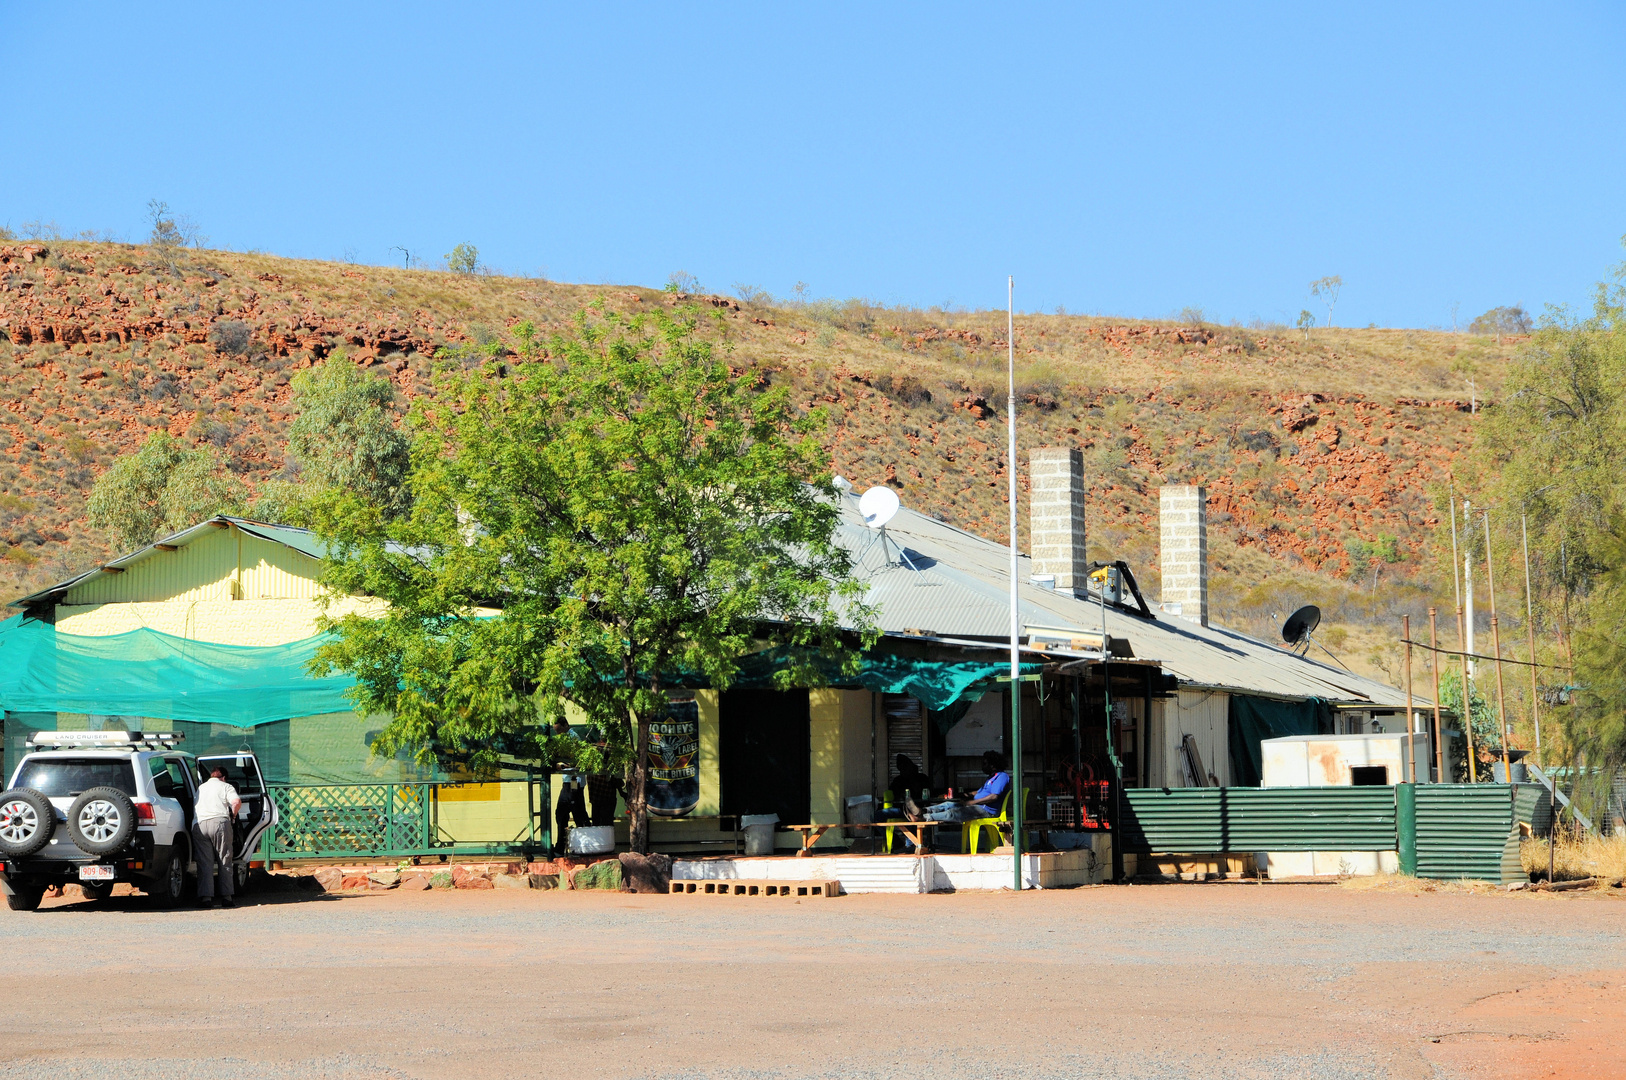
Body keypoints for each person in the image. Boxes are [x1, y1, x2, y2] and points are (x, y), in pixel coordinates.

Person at [193, 765, 241, 908]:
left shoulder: (200, 788)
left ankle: (206, 899)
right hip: (219, 823)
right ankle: (226, 898)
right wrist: (233, 815)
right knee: (224, 859)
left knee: (204, 863)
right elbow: (236, 802)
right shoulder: (226, 787)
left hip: (199, 824)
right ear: (224, 778)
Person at [924, 752, 1012, 822]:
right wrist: (966, 795)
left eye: (985, 764)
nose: (982, 766)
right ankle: (923, 811)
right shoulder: (991, 777)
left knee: (954, 813)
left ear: (992, 766)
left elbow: (994, 796)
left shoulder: (1001, 776)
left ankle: (925, 818)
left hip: (987, 810)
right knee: (949, 804)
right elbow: (979, 792)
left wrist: (972, 802)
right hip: (979, 806)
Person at [551, 717, 591, 857]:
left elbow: (578, 761)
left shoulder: (573, 738)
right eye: (557, 732)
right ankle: (563, 847)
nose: (558, 734)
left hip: (574, 781)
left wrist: (563, 765)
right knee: (566, 813)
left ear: (566, 725)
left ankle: (577, 847)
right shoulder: (566, 739)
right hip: (569, 781)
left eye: (560, 730)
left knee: (573, 813)